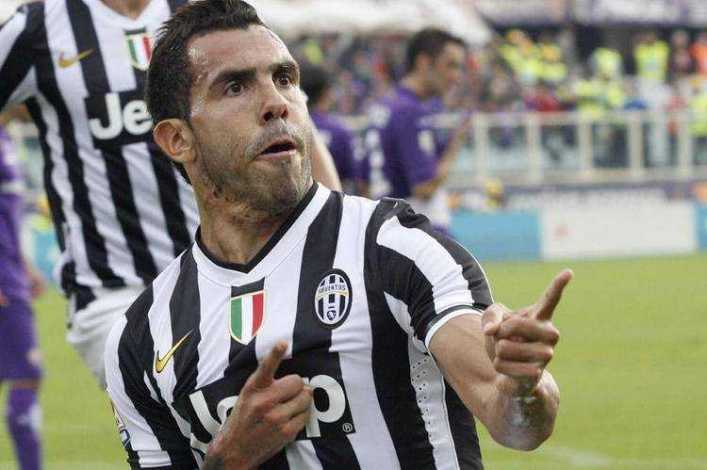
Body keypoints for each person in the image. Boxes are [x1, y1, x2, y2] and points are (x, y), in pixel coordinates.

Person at [104, 1, 573, 468]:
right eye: (235, 87)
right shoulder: (142, 337)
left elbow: (515, 422)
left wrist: (522, 386)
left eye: (283, 78)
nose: (276, 103)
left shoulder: (395, 249)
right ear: (177, 139)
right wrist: (228, 461)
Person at [0, 0, 341, 387]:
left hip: (227, 273)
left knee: (293, 403)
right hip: (114, 289)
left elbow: (298, 127)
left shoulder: (205, 13)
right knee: (211, 398)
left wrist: (332, 239)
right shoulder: (39, 27)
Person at [361, 28, 471, 234]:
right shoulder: (411, 111)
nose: (456, 77)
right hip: (416, 230)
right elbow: (424, 188)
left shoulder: (383, 107)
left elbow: (362, 181)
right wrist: (457, 142)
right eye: (451, 65)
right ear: (424, 62)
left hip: (385, 227)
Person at [0, 117, 45, 470]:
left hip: (12, 274)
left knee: (25, 377)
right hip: (4, 284)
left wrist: (25, 266)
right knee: (26, 376)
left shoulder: (5, 138)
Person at [300, 63, 359, 194]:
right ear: (327, 92)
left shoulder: (289, 129)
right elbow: (353, 179)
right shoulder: (340, 132)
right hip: (332, 201)